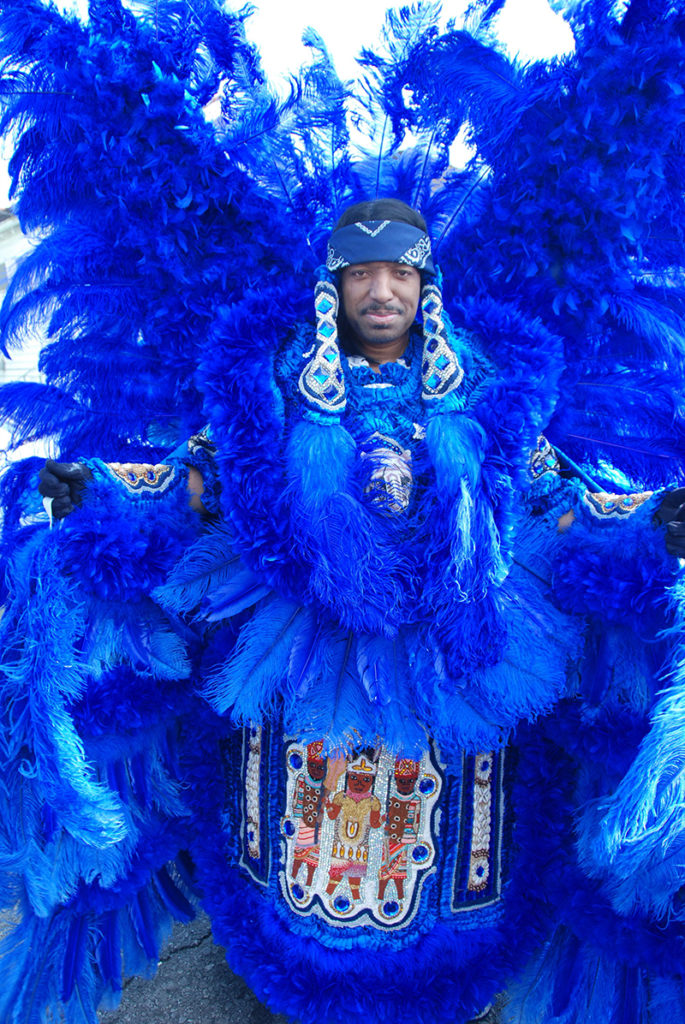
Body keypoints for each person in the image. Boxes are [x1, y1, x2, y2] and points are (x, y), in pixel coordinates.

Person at [27, 197, 684, 1024]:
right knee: (304, 807)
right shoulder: (275, 378)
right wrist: (98, 494)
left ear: (424, 283)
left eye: (399, 272)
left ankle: (443, 978)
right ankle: (303, 976)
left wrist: (650, 524)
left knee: (453, 811)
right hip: (300, 646)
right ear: (332, 285)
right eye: (362, 273)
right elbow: (201, 478)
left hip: (454, 654)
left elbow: (552, 494)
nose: (381, 290)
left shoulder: (481, 383)